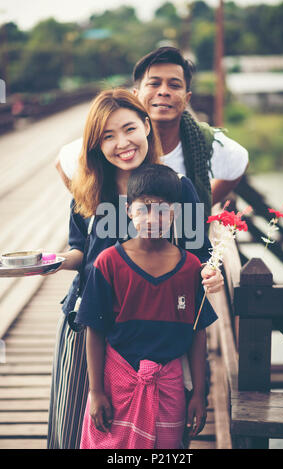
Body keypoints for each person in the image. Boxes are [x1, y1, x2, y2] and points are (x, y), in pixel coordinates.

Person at [47, 88, 224, 449]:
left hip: (158, 336)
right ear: (96, 145)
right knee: (83, 429)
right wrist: (51, 263)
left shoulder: (178, 189)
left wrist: (212, 274)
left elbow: (198, 253)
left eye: (128, 129)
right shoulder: (90, 191)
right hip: (91, 326)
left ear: (146, 125)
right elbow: (82, 252)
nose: (122, 143)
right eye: (107, 136)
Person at [76, 164, 218, 449]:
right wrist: (96, 391)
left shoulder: (190, 267)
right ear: (129, 210)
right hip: (118, 379)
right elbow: (95, 330)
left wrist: (199, 395)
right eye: (144, 208)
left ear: (176, 213)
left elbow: (197, 333)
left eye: (163, 210)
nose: (152, 218)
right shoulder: (108, 263)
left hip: (169, 382)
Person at [55, 46, 249, 223]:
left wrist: (199, 204)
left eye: (174, 85)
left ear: (187, 98)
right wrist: (93, 206)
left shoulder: (203, 142)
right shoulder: (109, 145)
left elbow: (239, 161)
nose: (163, 92)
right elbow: (62, 162)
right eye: (154, 84)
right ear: (135, 94)